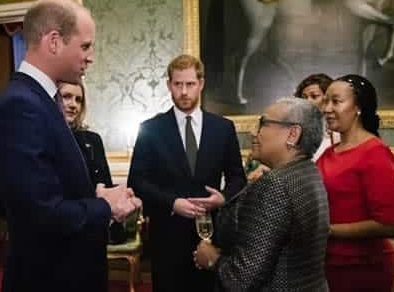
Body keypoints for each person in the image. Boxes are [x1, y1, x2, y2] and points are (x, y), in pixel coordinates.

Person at [0, 0, 141, 292]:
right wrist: (105, 206)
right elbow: (40, 215)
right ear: (54, 41)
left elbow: (50, 186)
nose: (91, 56)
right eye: (85, 46)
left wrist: (93, 192)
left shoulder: (41, 100)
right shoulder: (21, 105)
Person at [128, 54, 247, 292]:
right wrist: (173, 202)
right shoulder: (150, 129)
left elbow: (238, 178)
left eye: (190, 84)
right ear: (169, 84)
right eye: (178, 84)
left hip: (211, 237)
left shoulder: (223, 128)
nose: (183, 92)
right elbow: (137, 181)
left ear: (201, 83)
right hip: (167, 238)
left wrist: (222, 198)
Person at [194, 97, 330, 291]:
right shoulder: (308, 171)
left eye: (263, 124)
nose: (253, 132)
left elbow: (241, 279)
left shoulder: (275, 184)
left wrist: (211, 259)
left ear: (292, 134)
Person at [317, 74, 394, 292]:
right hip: (326, 265)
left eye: (336, 101)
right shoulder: (329, 152)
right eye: (325, 101)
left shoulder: (375, 153)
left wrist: (327, 230)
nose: (326, 108)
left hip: (363, 268)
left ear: (359, 107)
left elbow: (389, 224)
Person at [58, 82, 127, 244]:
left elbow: (107, 185)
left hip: (92, 228)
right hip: (60, 227)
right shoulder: (44, 136)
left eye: (79, 100)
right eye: (66, 97)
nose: (73, 104)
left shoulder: (93, 140)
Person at [294, 73, 337, 160]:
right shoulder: (296, 127)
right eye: (304, 97)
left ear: (328, 98)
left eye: (314, 96)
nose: (307, 101)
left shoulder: (339, 128)